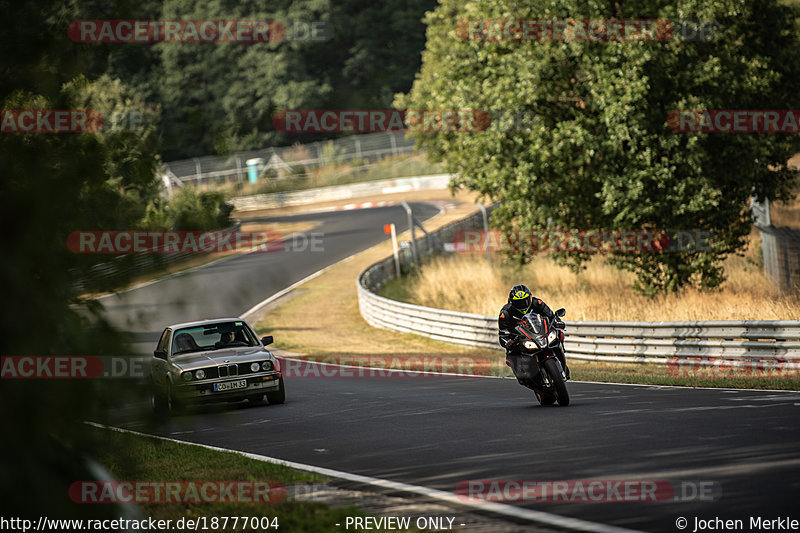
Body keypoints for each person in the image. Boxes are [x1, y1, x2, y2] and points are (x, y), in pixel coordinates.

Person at [498, 284, 569, 380]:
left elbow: (551, 316)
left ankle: (562, 363)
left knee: (558, 333)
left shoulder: (537, 303)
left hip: (539, 333)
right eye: (519, 303)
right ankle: (525, 375)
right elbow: (503, 334)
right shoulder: (506, 313)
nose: (523, 304)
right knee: (512, 354)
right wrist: (508, 342)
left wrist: (557, 321)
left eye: (525, 301)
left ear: (530, 298)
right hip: (520, 339)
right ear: (512, 303)